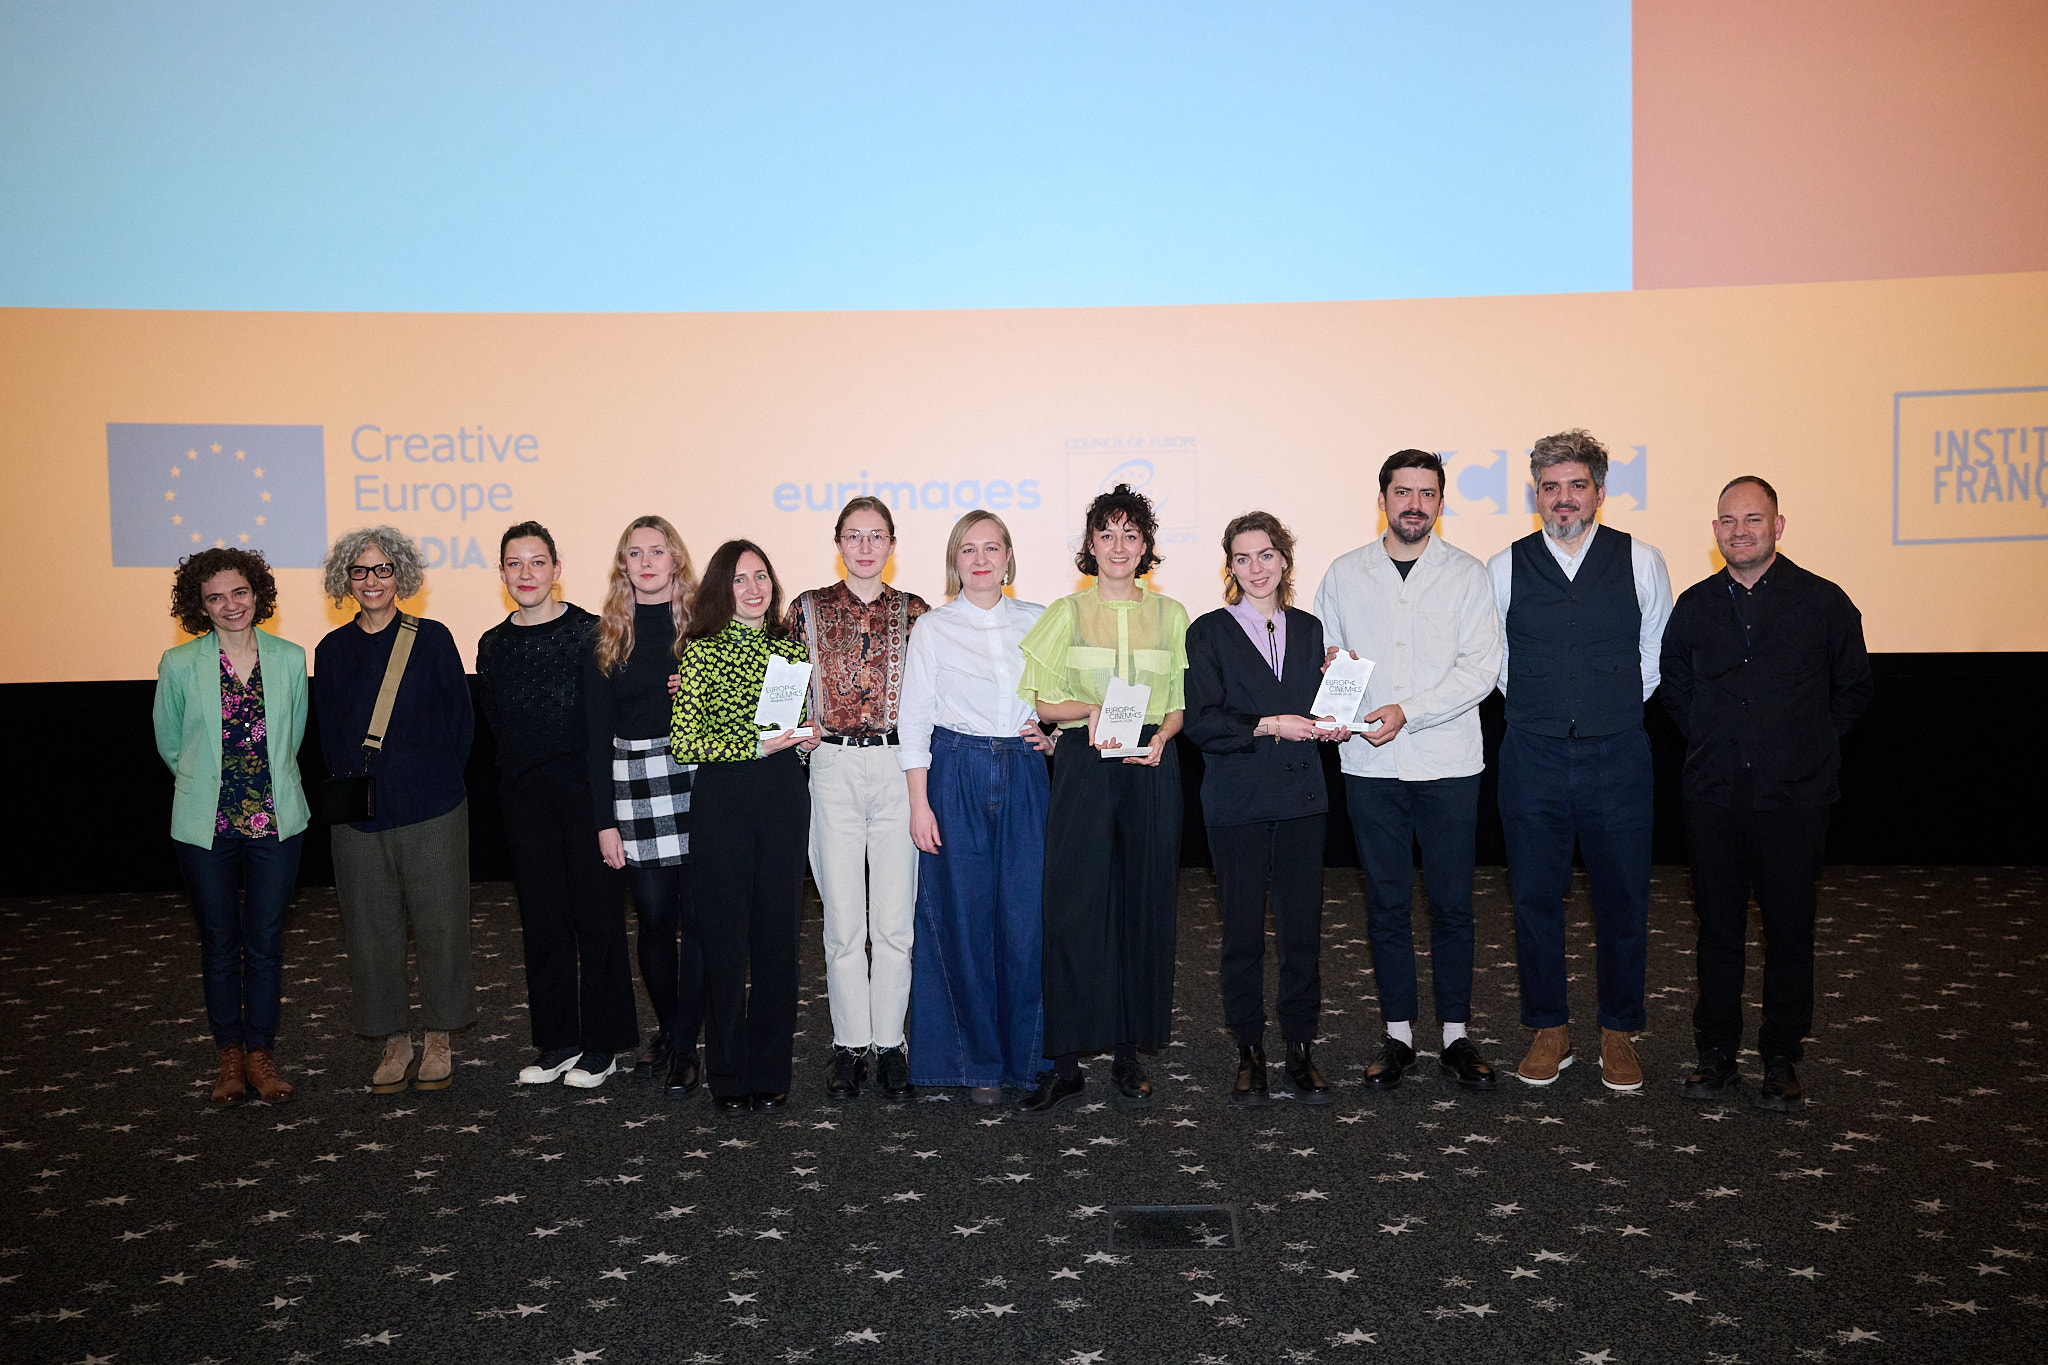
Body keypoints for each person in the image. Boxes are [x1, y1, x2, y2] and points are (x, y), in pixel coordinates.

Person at [1660, 476, 1871, 1111]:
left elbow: (1854, 688)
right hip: (1714, 794)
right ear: (1715, 531)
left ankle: (1781, 1058)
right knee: (1717, 930)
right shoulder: (1694, 605)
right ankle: (1716, 1054)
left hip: (1795, 797)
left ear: (1778, 526)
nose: (1740, 531)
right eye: (1728, 521)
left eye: (1753, 519)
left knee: (1789, 931)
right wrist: (1712, 736)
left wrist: (1808, 744)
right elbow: (1675, 684)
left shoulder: (1824, 601)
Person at [1487, 431, 1672, 1091]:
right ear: (1536, 494)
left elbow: (1656, 651)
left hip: (1618, 753)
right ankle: (1549, 1028)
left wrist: (1604, 706)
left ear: (1599, 490)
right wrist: (1548, 707)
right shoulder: (1503, 566)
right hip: (1531, 754)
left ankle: (1618, 1030)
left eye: (1576, 485)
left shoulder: (1641, 559)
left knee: (1622, 896)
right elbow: (1496, 660)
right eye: (1550, 487)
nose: (1563, 498)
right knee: (1535, 896)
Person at [1315, 451, 1505, 1092]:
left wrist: (1409, 712)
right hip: (1370, 764)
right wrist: (1330, 672)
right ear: (1383, 499)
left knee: (1452, 905)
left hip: (1448, 763)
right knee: (1387, 904)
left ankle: (1455, 1036)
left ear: (1441, 503)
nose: (1414, 504)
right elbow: (1326, 651)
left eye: (1427, 493)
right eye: (1403, 492)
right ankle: (1398, 1035)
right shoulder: (1344, 574)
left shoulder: (1468, 575)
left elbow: (1480, 671)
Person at [1015, 483, 1190, 1117]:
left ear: (1146, 547)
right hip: (1085, 765)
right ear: (1090, 544)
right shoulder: (1065, 612)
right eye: (1107, 534)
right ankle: (1064, 1065)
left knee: (1141, 905)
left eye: (1131, 535)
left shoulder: (1171, 615)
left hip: (1150, 765)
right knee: (1072, 909)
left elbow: (1177, 704)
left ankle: (1127, 1056)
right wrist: (1090, 709)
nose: (1119, 546)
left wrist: (1164, 737)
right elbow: (1043, 702)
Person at [1186, 511, 1343, 1107]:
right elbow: (1202, 722)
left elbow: (1317, 710)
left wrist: (1338, 699)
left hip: (1302, 800)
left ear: (1284, 560)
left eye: (1266, 555)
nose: (1256, 568)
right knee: (1242, 934)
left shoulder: (1310, 629)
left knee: (1302, 933)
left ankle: (1300, 1048)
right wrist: (1271, 724)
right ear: (1230, 567)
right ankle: (1249, 1050)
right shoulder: (1207, 631)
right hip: (1238, 801)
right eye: (1243, 558)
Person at [899, 511, 1055, 1105]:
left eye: (992, 548)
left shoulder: (1040, 619)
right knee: (961, 921)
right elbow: (914, 720)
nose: (981, 559)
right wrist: (920, 804)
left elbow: (1064, 698)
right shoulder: (932, 629)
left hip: (1024, 771)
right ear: (954, 561)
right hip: (954, 773)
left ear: (1009, 557)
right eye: (969, 549)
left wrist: (1054, 739)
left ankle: (1028, 1058)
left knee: (1026, 921)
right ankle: (977, 1063)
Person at [315, 526, 477, 1094]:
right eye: (360, 570)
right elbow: (328, 732)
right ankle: (393, 1039)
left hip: (432, 808)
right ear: (346, 579)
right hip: (360, 816)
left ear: (400, 575)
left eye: (383, 569)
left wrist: (432, 779)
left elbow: (461, 723)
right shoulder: (332, 650)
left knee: (442, 925)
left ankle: (440, 1036)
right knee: (369, 931)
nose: (372, 580)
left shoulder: (432, 639)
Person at [476, 521, 637, 1089]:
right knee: (542, 922)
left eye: (537, 562)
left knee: (598, 920)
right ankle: (558, 1042)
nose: (526, 574)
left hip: (585, 797)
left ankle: (602, 1046)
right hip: (524, 801)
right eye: (514, 563)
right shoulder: (492, 645)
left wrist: (604, 814)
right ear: (502, 572)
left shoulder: (590, 634)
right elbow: (498, 723)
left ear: (556, 568)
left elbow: (602, 728)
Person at [152, 548, 310, 1104]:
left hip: (276, 821)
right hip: (207, 827)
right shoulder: (179, 664)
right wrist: (206, 786)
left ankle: (262, 1056)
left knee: (265, 944)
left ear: (256, 593)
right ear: (200, 606)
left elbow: (292, 739)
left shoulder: (290, 658)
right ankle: (229, 1061)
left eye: (239, 592)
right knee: (219, 944)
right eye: (215, 597)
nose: (230, 604)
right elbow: (171, 744)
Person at [786, 497, 929, 1102]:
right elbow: (780, 686)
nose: (865, 547)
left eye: (876, 536)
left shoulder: (917, 613)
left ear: (892, 544)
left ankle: (891, 1043)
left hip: (898, 768)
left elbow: (935, 694)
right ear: (838, 543)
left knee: (895, 921)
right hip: (833, 766)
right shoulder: (806, 609)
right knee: (843, 920)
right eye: (853, 536)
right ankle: (849, 1044)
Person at [671, 540, 818, 1112]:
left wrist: (805, 739)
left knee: (779, 940)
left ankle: (772, 1069)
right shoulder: (701, 651)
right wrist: (754, 744)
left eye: (761, 577)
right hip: (724, 801)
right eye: (739, 579)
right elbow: (685, 741)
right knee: (725, 940)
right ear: (720, 589)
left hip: (782, 797)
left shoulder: (791, 649)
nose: (753, 589)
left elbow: (790, 732)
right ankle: (728, 1073)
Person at [585, 515, 705, 1097]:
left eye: (658, 551)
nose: (648, 562)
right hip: (634, 780)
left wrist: (702, 689)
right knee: (655, 920)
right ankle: (676, 1032)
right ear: (623, 565)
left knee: (701, 919)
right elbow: (594, 738)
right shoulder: (607, 636)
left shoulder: (705, 628)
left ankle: (689, 1036)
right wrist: (604, 823)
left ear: (676, 559)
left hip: (699, 776)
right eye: (635, 553)